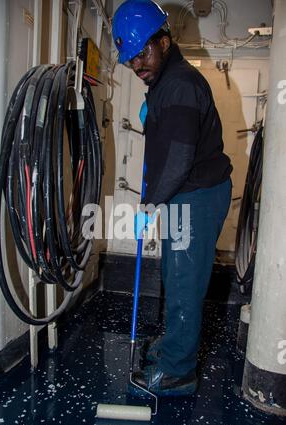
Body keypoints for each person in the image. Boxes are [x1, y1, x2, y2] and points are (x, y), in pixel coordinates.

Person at [112, 0, 233, 396]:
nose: (138, 65)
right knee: (174, 275)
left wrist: (149, 206)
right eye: (131, 59)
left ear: (164, 41)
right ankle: (173, 347)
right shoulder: (166, 84)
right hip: (184, 195)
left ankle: (178, 373)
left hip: (195, 196)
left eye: (143, 52)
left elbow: (180, 159)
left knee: (183, 282)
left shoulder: (179, 83)